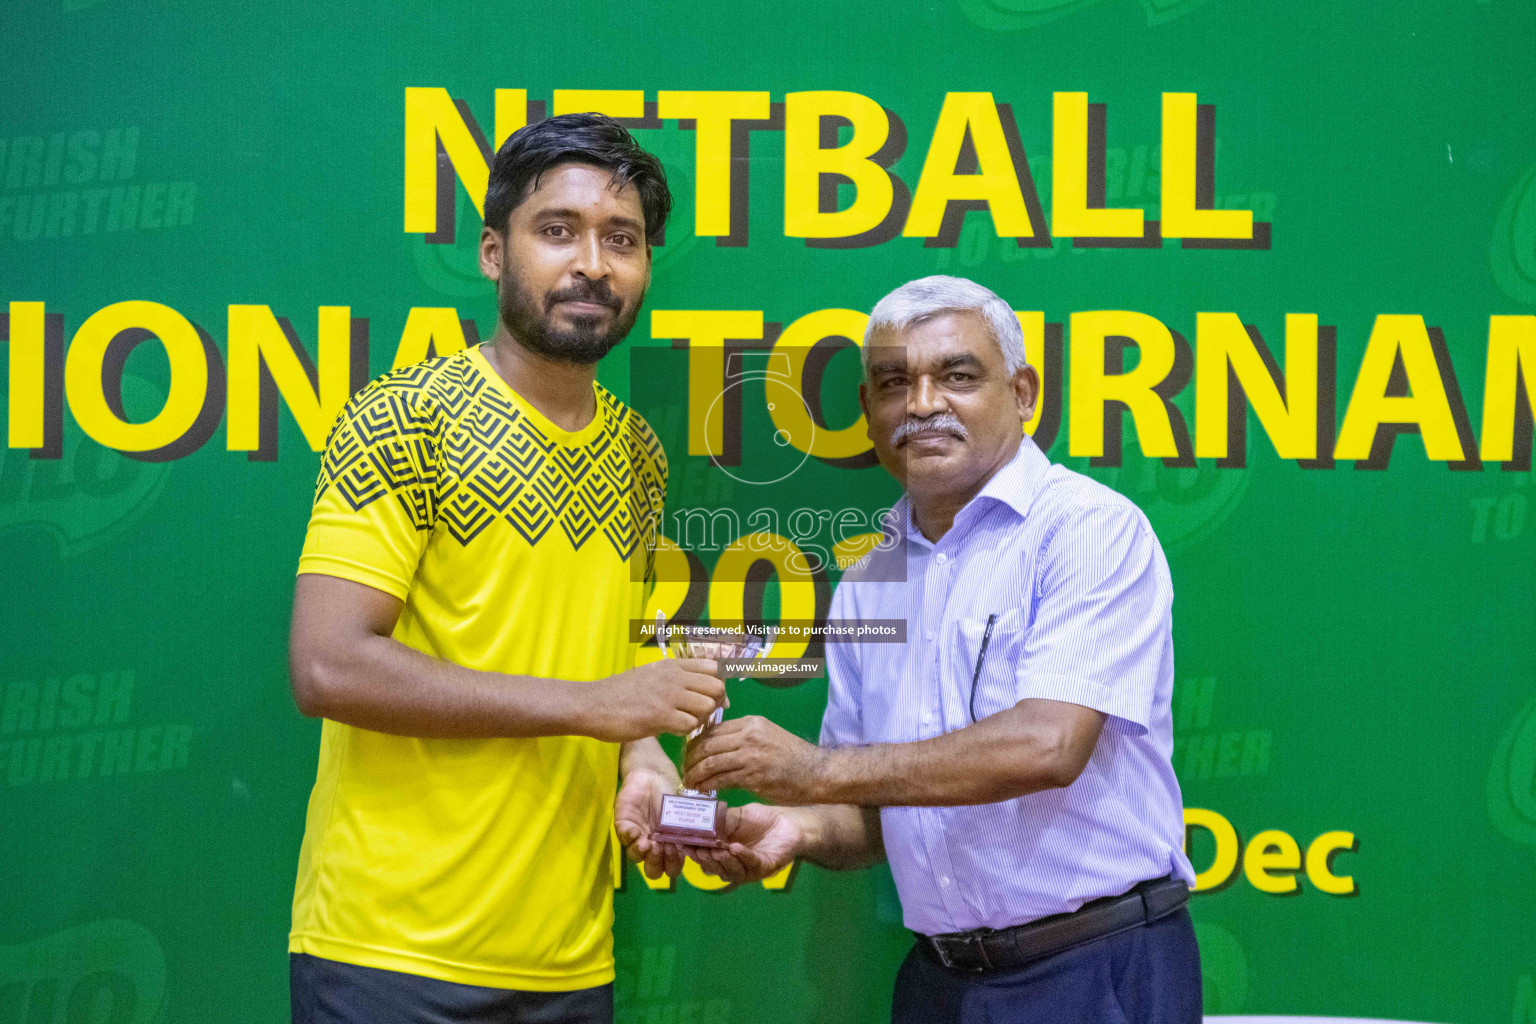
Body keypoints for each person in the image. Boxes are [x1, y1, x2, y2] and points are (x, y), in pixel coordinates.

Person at [285, 113, 721, 1024]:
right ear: (493, 252)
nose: (593, 264)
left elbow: (606, 676)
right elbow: (328, 665)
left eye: (622, 240)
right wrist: (594, 708)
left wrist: (641, 759)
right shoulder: (404, 415)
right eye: (557, 231)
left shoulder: (637, 453)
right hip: (390, 953)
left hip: (570, 959)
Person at [673, 276, 1202, 1023]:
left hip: (1094, 970)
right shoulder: (869, 576)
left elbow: (1048, 746)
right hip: (939, 982)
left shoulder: (1087, 530)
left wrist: (816, 771)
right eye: (894, 383)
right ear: (869, 411)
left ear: (1022, 393)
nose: (921, 404)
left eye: (956, 375)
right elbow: (872, 811)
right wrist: (795, 828)